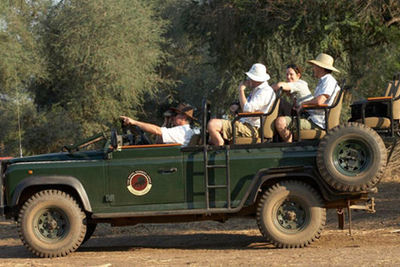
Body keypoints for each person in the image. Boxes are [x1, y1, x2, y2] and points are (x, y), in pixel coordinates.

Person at [275, 53, 341, 142]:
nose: (313, 69)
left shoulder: (328, 81)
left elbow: (319, 101)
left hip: (317, 122)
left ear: (320, 67)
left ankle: (290, 150)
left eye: (314, 66)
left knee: (280, 122)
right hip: (314, 118)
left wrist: (303, 104)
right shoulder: (324, 81)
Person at [208, 63, 276, 146]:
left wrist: (241, 90)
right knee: (210, 137)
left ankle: (220, 150)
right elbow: (247, 107)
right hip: (246, 124)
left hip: (251, 128)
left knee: (212, 125)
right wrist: (237, 106)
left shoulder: (265, 92)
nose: (248, 79)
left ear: (256, 79)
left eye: (250, 77)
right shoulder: (257, 91)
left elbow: (247, 109)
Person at [120, 104, 196, 147]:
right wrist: (166, 123)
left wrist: (134, 122)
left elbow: (157, 130)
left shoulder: (182, 131)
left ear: (184, 117)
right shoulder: (182, 131)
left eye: (175, 114)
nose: (172, 117)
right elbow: (158, 142)